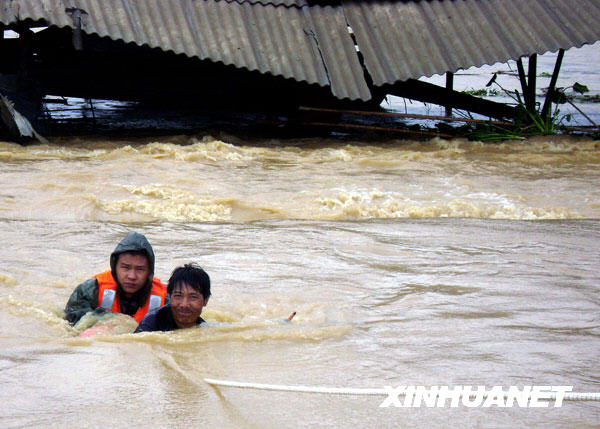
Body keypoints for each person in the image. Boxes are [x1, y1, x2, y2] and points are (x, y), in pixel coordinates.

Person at [64, 232, 167, 325]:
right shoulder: (89, 291)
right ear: (115, 267)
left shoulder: (167, 299)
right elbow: (72, 323)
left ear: (149, 272)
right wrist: (104, 320)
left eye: (140, 269)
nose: (132, 276)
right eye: (125, 267)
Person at [135, 263, 210, 332]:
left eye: (193, 297)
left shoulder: (204, 329)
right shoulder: (151, 323)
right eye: (178, 296)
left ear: (206, 300)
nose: (184, 304)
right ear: (170, 297)